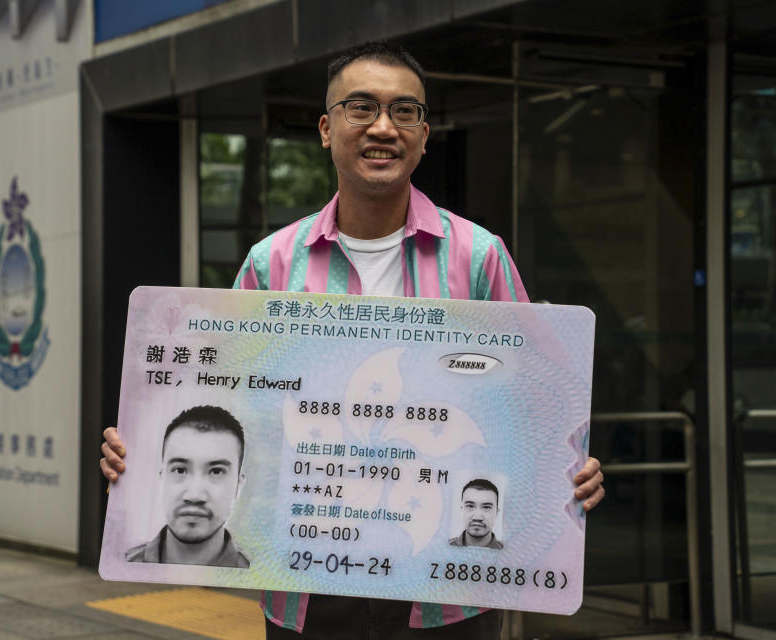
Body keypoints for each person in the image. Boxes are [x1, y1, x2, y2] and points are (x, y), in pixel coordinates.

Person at [101, 40, 605, 639]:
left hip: (444, 591)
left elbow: (535, 396)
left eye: (405, 111)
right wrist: (143, 449)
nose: (384, 127)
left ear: (423, 134)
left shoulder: (478, 257)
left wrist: (568, 465)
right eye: (360, 107)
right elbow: (225, 402)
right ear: (325, 128)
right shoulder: (272, 264)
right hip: (308, 584)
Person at [126, 405, 249, 568]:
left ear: (238, 486)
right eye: (180, 470)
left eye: (216, 471)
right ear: (161, 479)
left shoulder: (262, 578)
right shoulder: (122, 565)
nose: (195, 495)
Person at [450, 479, 503, 549]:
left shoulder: (509, 553)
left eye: (486, 507)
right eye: (470, 506)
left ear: (496, 513)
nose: (477, 517)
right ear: (461, 510)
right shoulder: (443, 548)